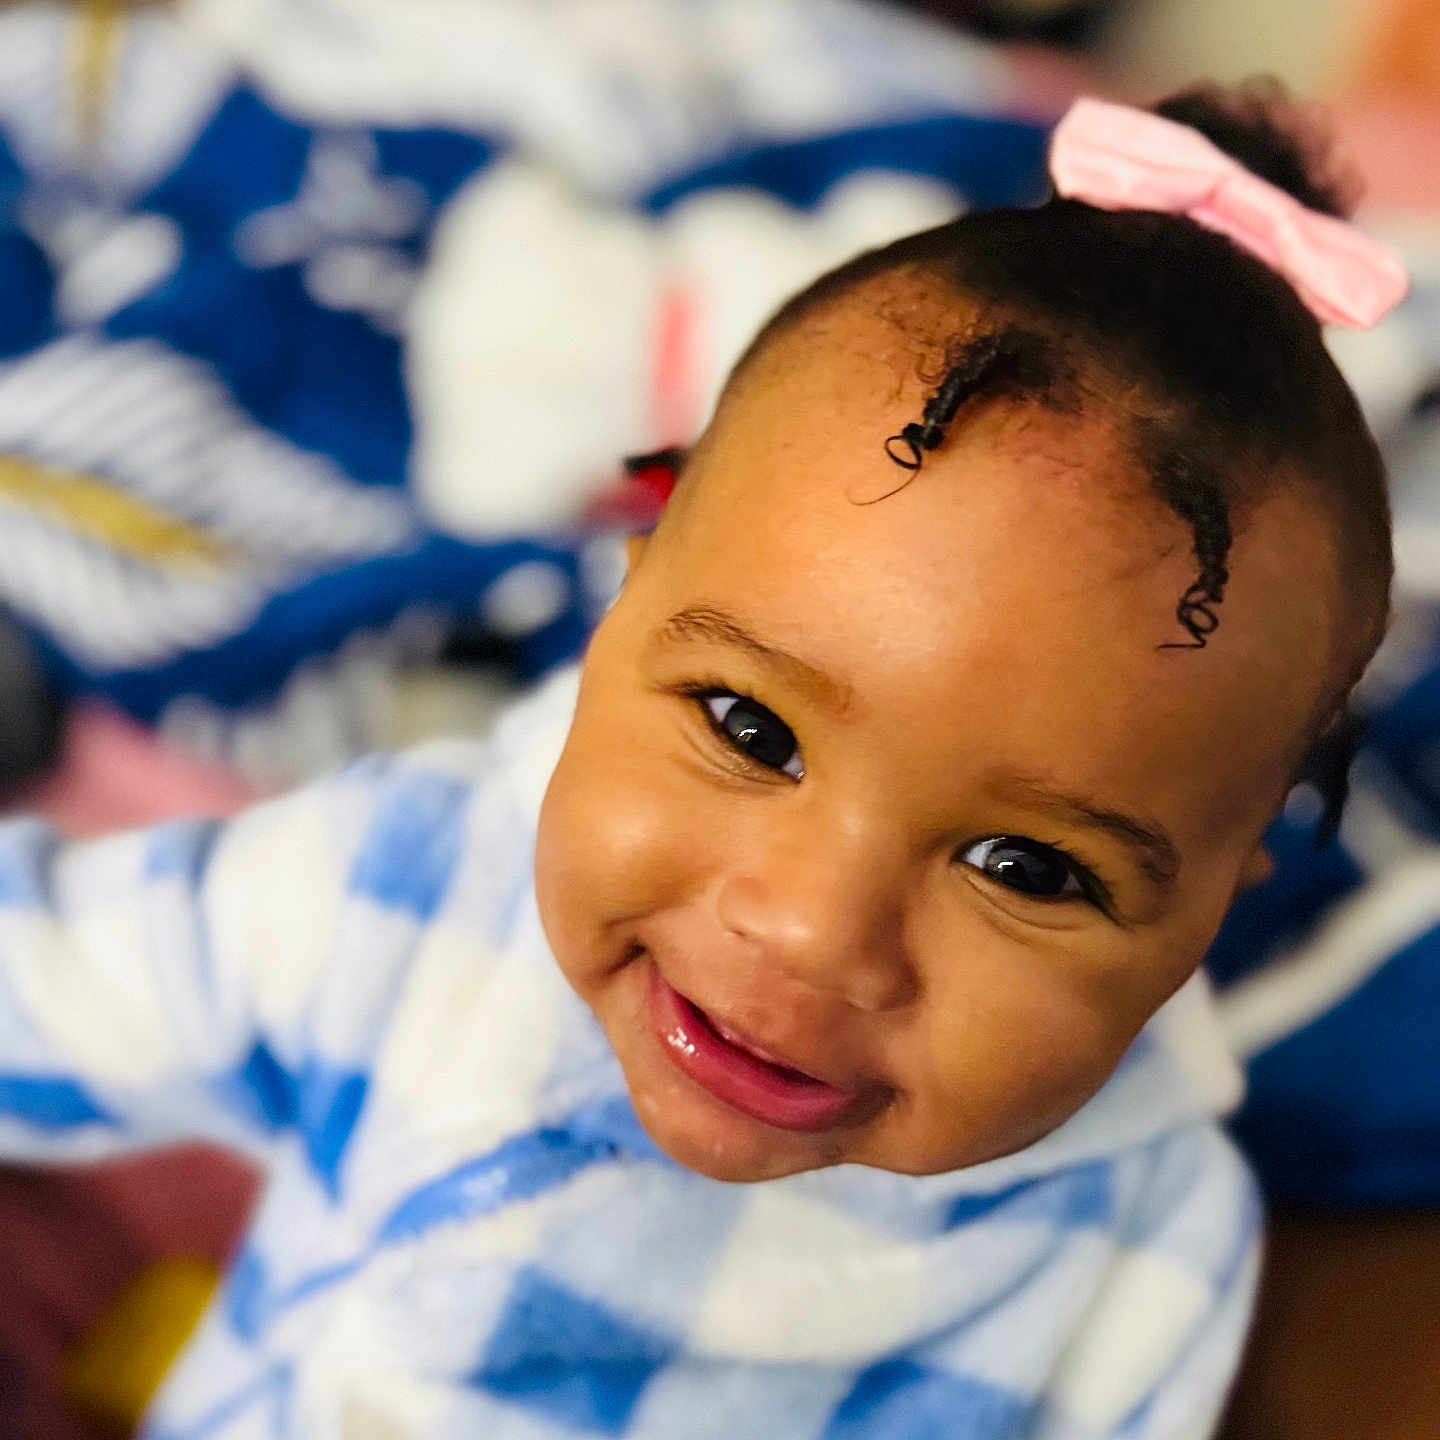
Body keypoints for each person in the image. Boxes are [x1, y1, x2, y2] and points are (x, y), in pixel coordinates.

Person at [0, 84, 1406, 1438]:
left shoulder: (1139, 1259)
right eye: (751, 730)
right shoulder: (407, 889)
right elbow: (49, 981)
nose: (810, 930)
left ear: (1212, 913)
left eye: (1025, 867)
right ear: (620, 607)